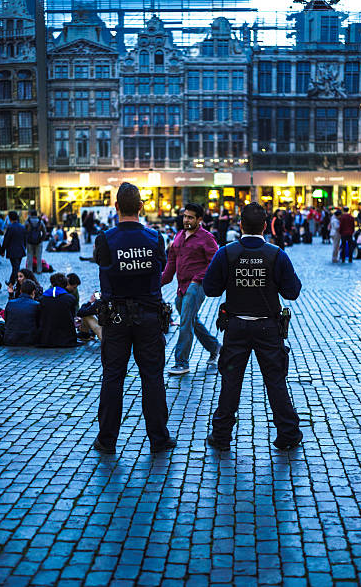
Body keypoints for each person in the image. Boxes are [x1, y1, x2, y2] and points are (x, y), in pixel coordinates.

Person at [203, 202, 303, 452]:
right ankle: (288, 433)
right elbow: (292, 292)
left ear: (240, 225)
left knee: (230, 382)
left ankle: (222, 435)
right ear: (266, 226)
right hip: (268, 327)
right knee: (276, 381)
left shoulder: (226, 253)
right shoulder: (276, 254)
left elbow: (210, 288)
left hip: (236, 326)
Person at [93, 182, 175, 454]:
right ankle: (159, 439)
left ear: (116, 207)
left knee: (113, 377)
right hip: (149, 315)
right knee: (152, 377)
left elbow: (102, 265)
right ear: (141, 207)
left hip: (115, 316)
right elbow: (161, 267)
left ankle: (107, 440)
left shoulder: (105, 239)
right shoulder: (155, 238)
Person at [162, 203, 221, 375]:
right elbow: (171, 264)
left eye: (190, 217)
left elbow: (214, 263)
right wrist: (158, 283)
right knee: (191, 320)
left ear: (199, 220)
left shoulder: (207, 238)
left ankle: (182, 362)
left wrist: (197, 280)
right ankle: (215, 346)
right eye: (185, 216)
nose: (186, 220)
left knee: (185, 322)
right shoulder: (179, 236)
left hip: (197, 286)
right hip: (182, 287)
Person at [37, 273, 78, 347]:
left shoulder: (42, 299)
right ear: (65, 285)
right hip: (66, 338)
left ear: (52, 284)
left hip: (46, 338)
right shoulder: (70, 299)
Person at [4, 279, 40, 346]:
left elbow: (6, 320)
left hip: (10, 339)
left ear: (20, 291)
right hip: (29, 339)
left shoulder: (10, 303)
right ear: (33, 292)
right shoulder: (36, 305)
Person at [2, 211, 26, 285]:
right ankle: (13, 281)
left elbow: (6, 240)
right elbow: (25, 239)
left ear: (10, 218)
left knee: (15, 267)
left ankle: (15, 282)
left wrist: (2, 250)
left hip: (12, 250)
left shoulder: (10, 227)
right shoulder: (22, 227)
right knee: (16, 267)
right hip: (21, 250)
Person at [24, 209, 46, 274]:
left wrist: (26, 239)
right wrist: (41, 239)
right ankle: (39, 270)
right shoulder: (40, 221)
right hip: (38, 241)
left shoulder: (27, 221)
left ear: (30, 214)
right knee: (39, 256)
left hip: (29, 241)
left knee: (29, 255)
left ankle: (30, 270)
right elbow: (44, 231)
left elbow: (24, 231)